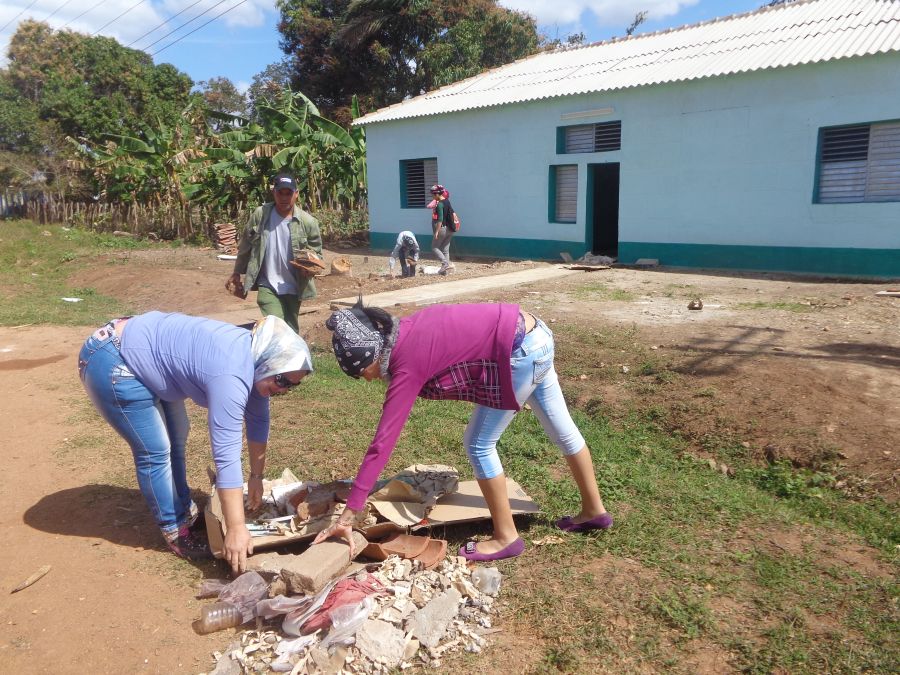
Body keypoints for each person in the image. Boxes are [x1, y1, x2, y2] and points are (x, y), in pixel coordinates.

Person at [313, 302, 611, 562]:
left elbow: (383, 442)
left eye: (364, 372)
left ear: (374, 353)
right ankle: (593, 511)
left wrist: (349, 513)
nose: (368, 380)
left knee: (479, 444)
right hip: (536, 334)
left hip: (519, 350)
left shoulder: (406, 364)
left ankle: (506, 537)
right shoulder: (405, 329)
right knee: (563, 432)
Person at [78, 312, 313, 574]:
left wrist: (257, 476)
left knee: (177, 439)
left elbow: (259, 420)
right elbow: (226, 454)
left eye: (292, 386)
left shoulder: (258, 360)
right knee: (155, 451)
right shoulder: (232, 375)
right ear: (269, 364)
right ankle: (175, 529)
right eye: (281, 380)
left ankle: (184, 513)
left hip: (144, 353)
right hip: (113, 359)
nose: (283, 389)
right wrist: (236, 528)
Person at [227, 172, 323, 333]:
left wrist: (310, 267)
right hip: (267, 284)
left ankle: (293, 356)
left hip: (294, 284)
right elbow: (246, 245)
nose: (284, 197)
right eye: (280, 193)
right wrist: (237, 272)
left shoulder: (308, 222)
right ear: (274, 192)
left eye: (289, 193)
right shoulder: (261, 215)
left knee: (291, 329)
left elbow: (317, 254)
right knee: (276, 325)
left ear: (296, 194)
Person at [429, 184, 456, 275]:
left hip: (442, 229)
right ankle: (446, 272)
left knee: (434, 247)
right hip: (450, 229)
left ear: (437, 194)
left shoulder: (440, 204)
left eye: (433, 194)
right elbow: (452, 213)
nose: (432, 196)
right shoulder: (447, 201)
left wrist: (436, 231)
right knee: (445, 250)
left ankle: (445, 264)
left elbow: (440, 219)